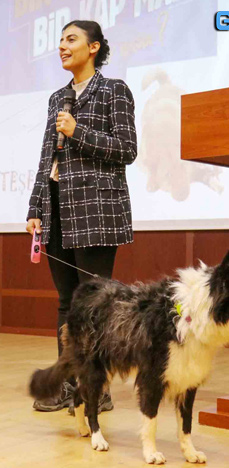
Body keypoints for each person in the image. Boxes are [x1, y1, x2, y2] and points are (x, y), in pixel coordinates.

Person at [26, 20, 137, 412]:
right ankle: (69, 383)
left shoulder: (114, 91)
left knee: (96, 305)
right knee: (66, 303)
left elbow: (126, 149)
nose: (61, 46)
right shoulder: (58, 97)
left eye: (70, 39)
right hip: (57, 208)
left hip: (96, 211)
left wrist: (78, 132)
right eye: (59, 40)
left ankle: (99, 388)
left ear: (93, 48)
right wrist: (36, 208)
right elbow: (46, 159)